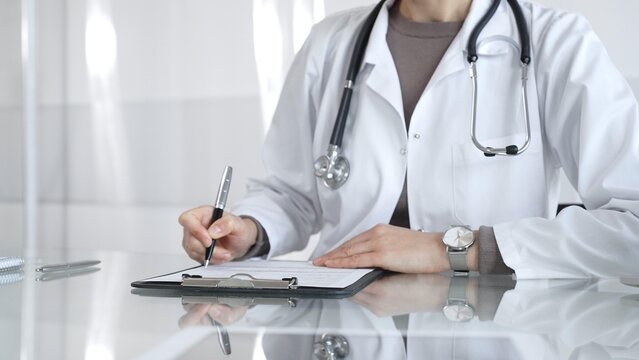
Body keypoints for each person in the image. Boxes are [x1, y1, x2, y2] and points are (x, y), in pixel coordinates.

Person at [179, 0, 639, 278]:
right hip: (340, 318)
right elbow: (293, 195)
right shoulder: (330, 44)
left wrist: (460, 249)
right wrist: (249, 232)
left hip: (497, 326)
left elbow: (632, 225)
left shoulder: (557, 42)